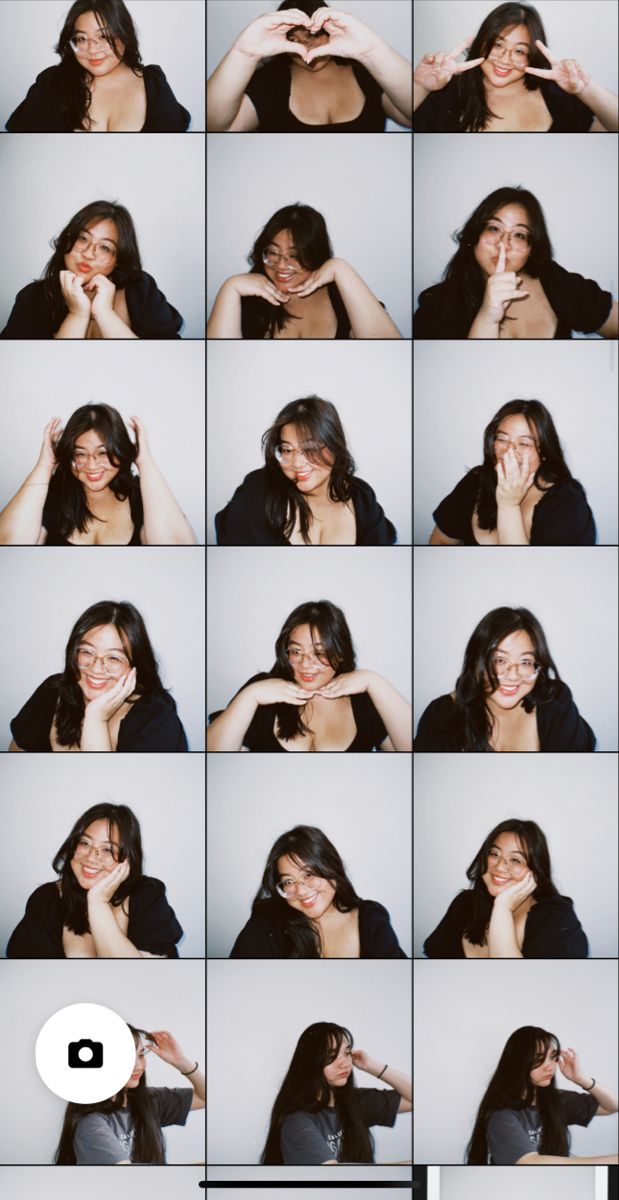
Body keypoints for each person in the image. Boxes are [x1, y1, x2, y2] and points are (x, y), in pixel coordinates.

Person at [207, 599, 412, 752]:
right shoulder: (263, 691)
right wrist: (249, 696)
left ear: (340, 654)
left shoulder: (363, 698)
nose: (305, 664)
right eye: (296, 651)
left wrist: (374, 681)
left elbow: (411, 749)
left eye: (319, 653)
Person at [413, 186, 618, 340]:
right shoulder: (436, 306)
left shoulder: (554, 279)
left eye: (519, 234)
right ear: (474, 236)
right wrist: (486, 317)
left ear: (531, 249)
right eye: (494, 228)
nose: (504, 244)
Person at [9, 599, 188, 753]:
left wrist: (96, 718)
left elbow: (107, 785)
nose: (96, 668)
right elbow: (17, 750)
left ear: (135, 666)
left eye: (113, 658)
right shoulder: (52, 690)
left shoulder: (155, 716)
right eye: (87, 652)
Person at [6, 803, 183, 958]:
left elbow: (145, 978)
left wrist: (98, 903)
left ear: (128, 858)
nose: (91, 857)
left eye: (107, 849)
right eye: (85, 843)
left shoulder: (148, 896)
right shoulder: (47, 899)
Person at [0, 406, 196, 546]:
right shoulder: (50, 497)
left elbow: (180, 545)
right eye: (81, 454)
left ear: (120, 450)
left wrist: (145, 461)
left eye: (102, 453)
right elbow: (7, 543)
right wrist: (44, 465)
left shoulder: (142, 498)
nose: (92, 466)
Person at [207, 0, 411, 133]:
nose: (307, 46)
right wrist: (244, 53)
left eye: (313, 35)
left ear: (331, 31)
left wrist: (370, 51)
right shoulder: (269, 82)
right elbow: (216, 127)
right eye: (294, 39)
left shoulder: (367, 73)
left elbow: (414, 115)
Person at [215, 395, 396, 545]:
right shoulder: (257, 489)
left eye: (310, 449)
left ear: (335, 445)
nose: (297, 464)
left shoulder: (361, 498)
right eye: (287, 450)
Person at [414, 1, 618, 132]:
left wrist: (585, 88)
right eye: (497, 44)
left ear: (532, 56)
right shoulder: (446, 87)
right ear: (481, 43)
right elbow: (403, 117)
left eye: (519, 51)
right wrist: (420, 84)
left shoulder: (558, 97)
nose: (505, 58)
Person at [207, 203, 402, 340]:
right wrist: (230, 287)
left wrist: (341, 268)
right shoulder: (246, 299)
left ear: (316, 255)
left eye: (295, 255)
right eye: (273, 252)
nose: (281, 265)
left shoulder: (342, 296)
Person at [413, 606, 595, 753]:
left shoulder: (554, 702)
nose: (513, 676)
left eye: (525, 662)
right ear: (476, 660)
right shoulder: (441, 716)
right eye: (499, 660)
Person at [0, 200, 183, 339]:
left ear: (118, 259)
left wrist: (105, 313)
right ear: (67, 241)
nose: (88, 254)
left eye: (104, 247)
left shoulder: (141, 289)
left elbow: (160, 365)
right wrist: (77, 314)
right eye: (82, 238)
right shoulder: (33, 298)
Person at [429, 400, 596, 546]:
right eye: (502, 439)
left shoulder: (566, 503)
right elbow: (440, 541)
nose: (509, 451)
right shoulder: (475, 481)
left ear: (544, 452)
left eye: (524, 443)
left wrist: (508, 505)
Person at [6, 0, 190, 132]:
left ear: (124, 35)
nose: (92, 49)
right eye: (82, 38)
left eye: (103, 36)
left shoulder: (154, 87)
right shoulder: (51, 84)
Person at [230, 824, 406, 958]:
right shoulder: (267, 923)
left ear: (331, 867)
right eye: (288, 881)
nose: (301, 890)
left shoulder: (370, 920)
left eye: (308, 874)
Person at [423, 818, 588, 959]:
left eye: (516, 860)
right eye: (494, 854)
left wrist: (503, 908)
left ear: (536, 871)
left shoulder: (557, 919)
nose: (500, 866)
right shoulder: (465, 904)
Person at [260, 1022, 411, 1163]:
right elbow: (336, 1180)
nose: (344, 1063)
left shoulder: (356, 1101)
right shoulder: (296, 1121)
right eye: (332, 1055)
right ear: (311, 1062)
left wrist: (370, 1065)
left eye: (346, 1053)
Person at [466, 1026, 618, 1164]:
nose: (550, 1066)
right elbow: (529, 1162)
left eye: (553, 1057)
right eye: (539, 1058)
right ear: (518, 1063)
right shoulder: (501, 1114)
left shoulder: (557, 1101)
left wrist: (580, 1078)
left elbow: (612, 1106)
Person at [54, 1026, 205, 1164]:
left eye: (141, 1055)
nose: (138, 1066)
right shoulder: (89, 1122)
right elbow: (130, 1179)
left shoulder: (150, 1100)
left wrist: (181, 1062)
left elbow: (206, 1099)